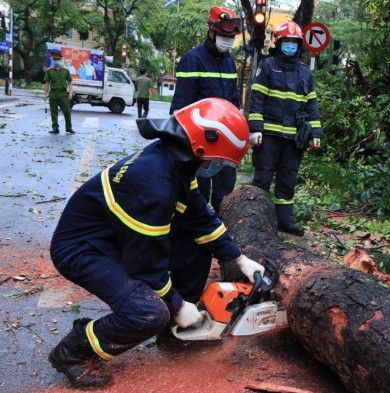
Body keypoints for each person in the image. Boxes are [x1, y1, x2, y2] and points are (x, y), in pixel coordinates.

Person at [48, 98, 265, 389]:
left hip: (116, 237)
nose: (217, 166)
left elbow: (200, 217)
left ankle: (173, 332)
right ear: (202, 147)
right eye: (218, 160)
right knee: (148, 311)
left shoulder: (176, 162)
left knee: (197, 242)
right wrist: (176, 305)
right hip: (82, 249)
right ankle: (72, 350)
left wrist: (239, 259)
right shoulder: (155, 186)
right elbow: (146, 265)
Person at [248, 21, 323, 236]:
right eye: (286, 42)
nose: (290, 46)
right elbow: (257, 100)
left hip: (293, 140)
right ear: (278, 43)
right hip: (269, 136)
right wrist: (255, 129)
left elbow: (312, 105)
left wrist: (316, 132)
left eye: (294, 43)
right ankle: (255, 221)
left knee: (287, 180)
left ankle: (284, 222)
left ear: (299, 45)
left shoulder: (305, 73)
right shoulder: (268, 66)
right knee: (262, 178)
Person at [170, 5, 243, 214]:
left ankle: (219, 235)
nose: (226, 40)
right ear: (211, 31)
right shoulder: (192, 60)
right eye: (222, 35)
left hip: (225, 140)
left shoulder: (230, 62)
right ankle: (194, 239)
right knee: (196, 197)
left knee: (225, 194)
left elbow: (233, 100)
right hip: (200, 141)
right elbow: (181, 105)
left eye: (230, 38)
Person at [43, 51, 74, 134]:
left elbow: (70, 82)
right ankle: (55, 128)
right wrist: (45, 94)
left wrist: (70, 92)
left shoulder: (65, 71)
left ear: (61, 60)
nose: (56, 61)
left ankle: (69, 128)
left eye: (57, 59)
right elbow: (47, 83)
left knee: (67, 112)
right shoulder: (49, 71)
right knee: (53, 112)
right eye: (54, 59)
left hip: (63, 94)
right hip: (53, 94)